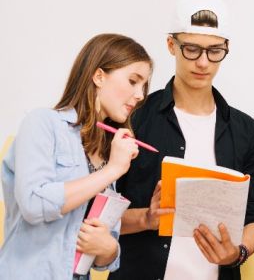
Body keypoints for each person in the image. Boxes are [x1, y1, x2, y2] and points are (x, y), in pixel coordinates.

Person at [111, 0, 254, 280]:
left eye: (214, 51)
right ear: (171, 45)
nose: (203, 62)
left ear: (226, 48)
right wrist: (147, 217)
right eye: (192, 49)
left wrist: (239, 253)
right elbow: (98, 214)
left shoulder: (247, 132)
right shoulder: (133, 118)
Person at [0, 34, 151, 279]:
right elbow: (33, 204)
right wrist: (112, 170)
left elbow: (104, 257)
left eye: (144, 86)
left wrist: (108, 248)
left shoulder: (106, 151)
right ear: (99, 76)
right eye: (133, 81)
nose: (140, 94)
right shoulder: (42, 123)